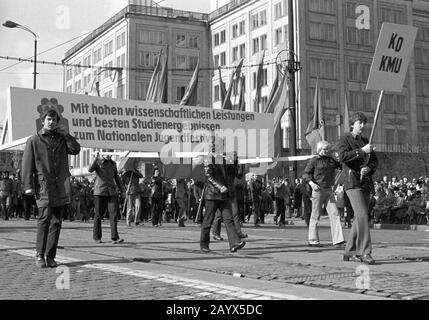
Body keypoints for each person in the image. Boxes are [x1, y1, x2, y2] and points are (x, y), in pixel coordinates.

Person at [22, 108, 81, 268]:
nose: (51, 122)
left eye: (54, 119)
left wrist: (66, 135)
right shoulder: (34, 140)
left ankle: (51, 256)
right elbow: (27, 165)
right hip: (43, 186)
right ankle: (39, 255)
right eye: (48, 119)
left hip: (60, 186)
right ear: (43, 121)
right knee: (44, 220)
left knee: (56, 222)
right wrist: (27, 185)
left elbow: (75, 149)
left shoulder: (62, 139)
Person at [338, 112, 378, 265]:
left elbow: (374, 161)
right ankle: (364, 252)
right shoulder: (345, 139)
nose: (362, 125)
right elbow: (343, 157)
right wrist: (362, 151)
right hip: (352, 182)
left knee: (359, 219)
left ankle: (349, 251)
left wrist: (369, 168)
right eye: (359, 122)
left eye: (364, 122)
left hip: (365, 183)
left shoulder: (366, 141)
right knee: (362, 215)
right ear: (352, 124)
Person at [200, 137, 246, 253]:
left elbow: (236, 174)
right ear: (214, 146)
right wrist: (220, 186)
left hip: (224, 195)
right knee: (208, 220)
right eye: (221, 145)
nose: (223, 147)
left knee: (228, 219)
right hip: (212, 194)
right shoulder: (208, 158)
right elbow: (209, 176)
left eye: (223, 145)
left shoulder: (224, 159)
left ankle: (234, 243)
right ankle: (204, 244)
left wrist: (236, 161)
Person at [303, 140, 345, 247]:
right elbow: (306, 174)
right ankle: (313, 240)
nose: (326, 151)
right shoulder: (314, 161)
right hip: (317, 190)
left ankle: (338, 239)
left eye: (327, 149)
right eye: (324, 149)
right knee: (315, 215)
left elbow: (341, 167)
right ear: (319, 149)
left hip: (329, 190)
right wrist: (312, 184)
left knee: (335, 214)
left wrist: (339, 158)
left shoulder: (331, 160)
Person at [88, 150, 125, 244]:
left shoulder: (113, 164)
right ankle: (97, 237)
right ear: (103, 153)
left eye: (111, 153)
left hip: (111, 191)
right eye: (107, 153)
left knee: (114, 214)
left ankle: (115, 237)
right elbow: (90, 169)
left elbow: (116, 177)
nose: (109, 155)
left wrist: (122, 190)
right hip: (100, 191)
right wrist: (95, 158)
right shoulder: (98, 162)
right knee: (98, 215)